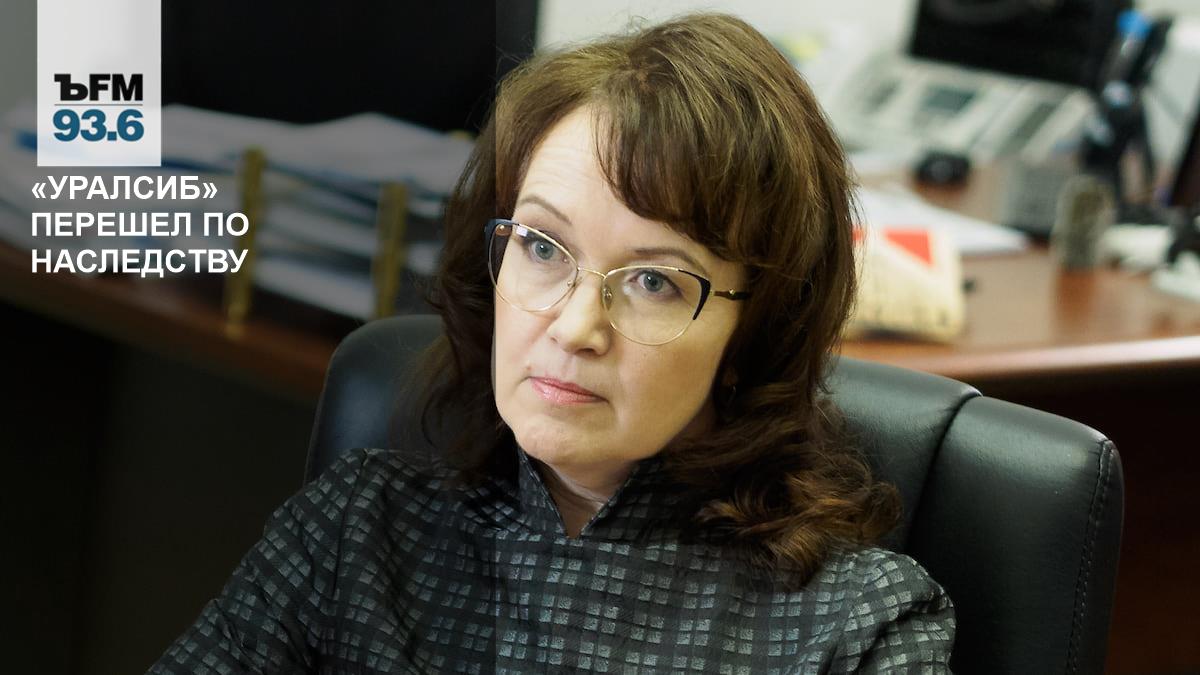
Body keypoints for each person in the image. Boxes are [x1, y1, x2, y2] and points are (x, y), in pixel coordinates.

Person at [149, 13, 954, 674]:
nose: (574, 327)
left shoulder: (856, 626)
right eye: (542, 246)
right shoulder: (359, 531)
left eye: (654, 281)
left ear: (758, 328)